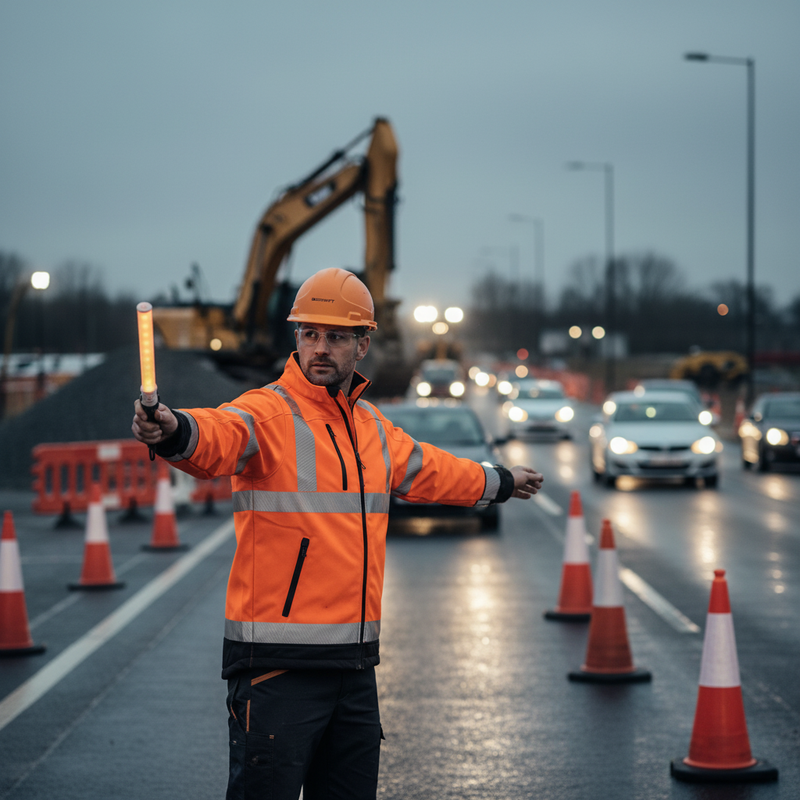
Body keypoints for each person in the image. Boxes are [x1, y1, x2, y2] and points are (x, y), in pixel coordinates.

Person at [132, 267, 544, 800]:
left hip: (353, 669)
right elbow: (216, 433)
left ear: (363, 344)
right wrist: (173, 429)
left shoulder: (371, 427)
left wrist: (500, 481)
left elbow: (432, 469)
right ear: (296, 338)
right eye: (309, 334)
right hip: (276, 671)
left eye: (335, 336)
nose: (319, 348)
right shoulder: (267, 411)